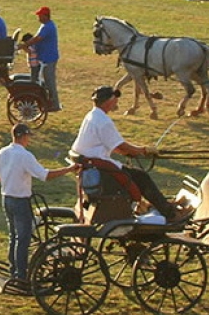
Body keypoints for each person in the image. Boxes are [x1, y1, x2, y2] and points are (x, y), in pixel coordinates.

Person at [69, 86, 192, 225]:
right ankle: (170, 213)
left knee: (136, 174)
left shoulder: (91, 116)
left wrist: (132, 152)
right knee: (142, 177)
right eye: (115, 99)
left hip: (93, 166)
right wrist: (143, 150)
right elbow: (122, 146)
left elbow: (115, 146)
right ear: (109, 101)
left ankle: (157, 206)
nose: (116, 102)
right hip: (100, 170)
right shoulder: (103, 122)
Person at [0, 123, 78, 288]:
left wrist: (9, 180)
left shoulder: (3, 152)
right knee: (23, 239)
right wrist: (69, 169)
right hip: (21, 200)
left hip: (6, 198)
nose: (29, 140)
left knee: (13, 236)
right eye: (28, 136)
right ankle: (21, 276)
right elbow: (45, 176)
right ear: (23, 136)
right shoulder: (25, 156)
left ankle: (14, 268)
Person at [22, 6, 61, 111]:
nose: (38, 17)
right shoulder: (45, 25)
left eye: (40, 15)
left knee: (49, 82)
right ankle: (49, 101)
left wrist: (24, 45)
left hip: (49, 58)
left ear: (45, 16)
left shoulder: (47, 27)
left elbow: (37, 39)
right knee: (45, 81)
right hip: (45, 58)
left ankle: (55, 104)